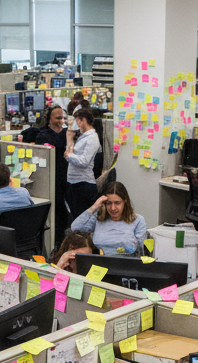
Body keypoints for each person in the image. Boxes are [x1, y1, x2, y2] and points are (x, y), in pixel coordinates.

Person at [69, 182, 147, 255]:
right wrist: (94, 207)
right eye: (109, 203)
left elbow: (141, 251)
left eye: (117, 203)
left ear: (125, 201)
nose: (113, 208)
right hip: (99, 262)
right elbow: (75, 228)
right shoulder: (98, 218)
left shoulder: (137, 220)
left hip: (126, 263)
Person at [33, 105, 69, 239]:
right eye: (58, 118)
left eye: (64, 118)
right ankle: (56, 239)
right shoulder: (43, 135)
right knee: (56, 210)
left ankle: (62, 236)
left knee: (63, 211)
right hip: (50, 177)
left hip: (66, 176)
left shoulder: (67, 133)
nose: (62, 120)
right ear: (50, 118)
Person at [65, 107, 100, 222]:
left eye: (76, 121)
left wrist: (69, 156)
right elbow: (70, 153)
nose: (75, 124)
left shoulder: (92, 138)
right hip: (74, 182)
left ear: (83, 120)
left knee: (82, 221)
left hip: (84, 184)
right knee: (75, 218)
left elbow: (84, 161)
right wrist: (69, 139)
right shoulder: (82, 136)